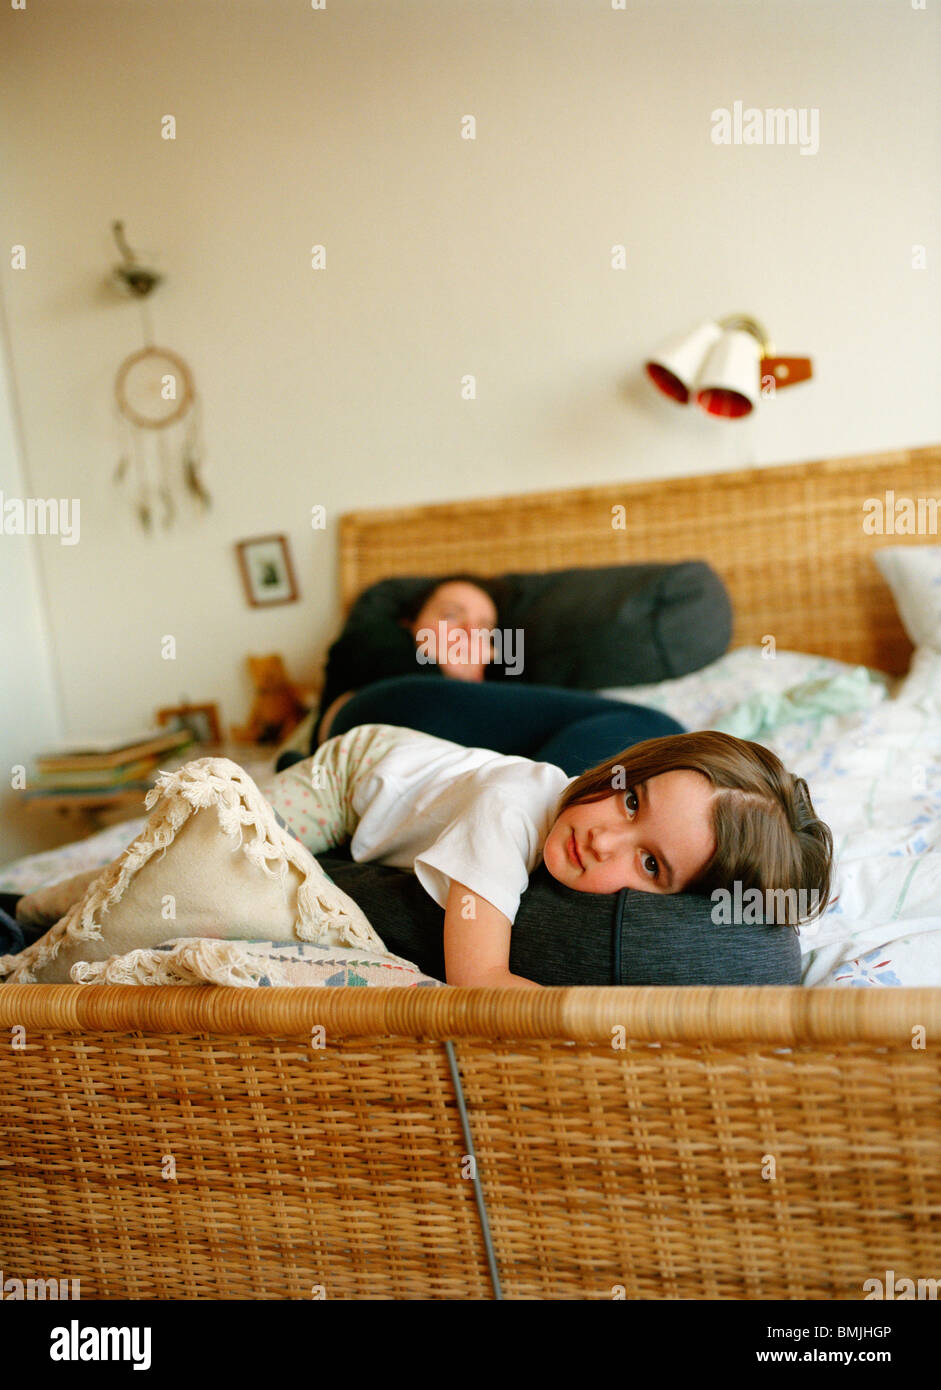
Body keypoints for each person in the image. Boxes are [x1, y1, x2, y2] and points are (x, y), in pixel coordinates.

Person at [267, 721, 834, 990]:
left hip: (416, 791)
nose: (603, 840)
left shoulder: (578, 832)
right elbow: (479, 977)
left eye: (651, 864)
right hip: (350, 777)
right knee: (227, 830)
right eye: (631, 799)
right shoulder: (512, 808)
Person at [280, 573, 688, 777]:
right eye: (451, 616)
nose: (471, 633)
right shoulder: (375, 641)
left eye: (485, 628)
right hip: (369, 729)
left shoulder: (507, 698)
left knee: (659, 739)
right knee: (655, 729)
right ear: (408, 624)